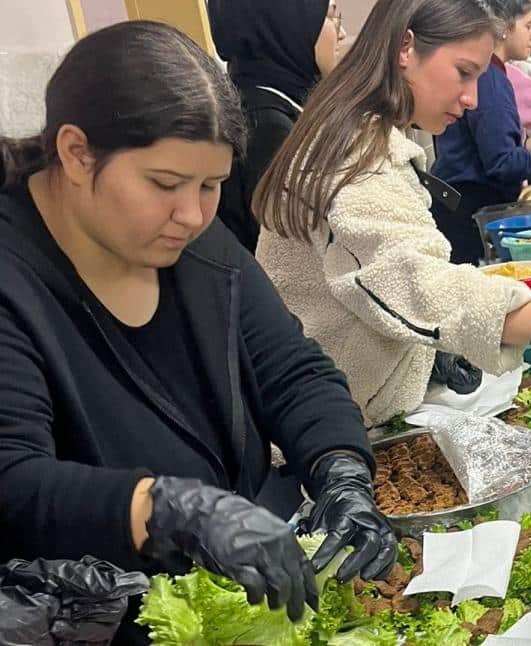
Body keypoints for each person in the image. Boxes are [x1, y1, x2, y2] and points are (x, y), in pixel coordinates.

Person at [0, 21, 396, 645]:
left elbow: (292, 371)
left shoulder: (198, 244)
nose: (191, 214)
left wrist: (342, 470)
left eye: (211, 186)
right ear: (77, 152)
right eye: (163, 185)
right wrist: (170, 510)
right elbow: (13, 482)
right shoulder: (13, 280)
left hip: (222, 599)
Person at [253, 0, 531, 428]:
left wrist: (427, 358)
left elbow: (368, 287)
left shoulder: (381, 129)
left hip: (354, 404)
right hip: (327, 424)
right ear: (405, 47)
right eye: (464, 72)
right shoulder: (352, 148)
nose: (472, 97)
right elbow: (403, 275)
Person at [427, 0, 531, 264]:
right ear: (504, 27)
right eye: (529, 25)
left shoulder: (495, 74)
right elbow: (502, 162)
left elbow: (490, 149)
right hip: (468, 212)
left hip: (461, 204)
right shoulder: (488, 77)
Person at [208, 0, 346, 253]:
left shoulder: (268, 104)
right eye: (329, 16)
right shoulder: (266, 129)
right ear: (287, 23)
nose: (342, 32)